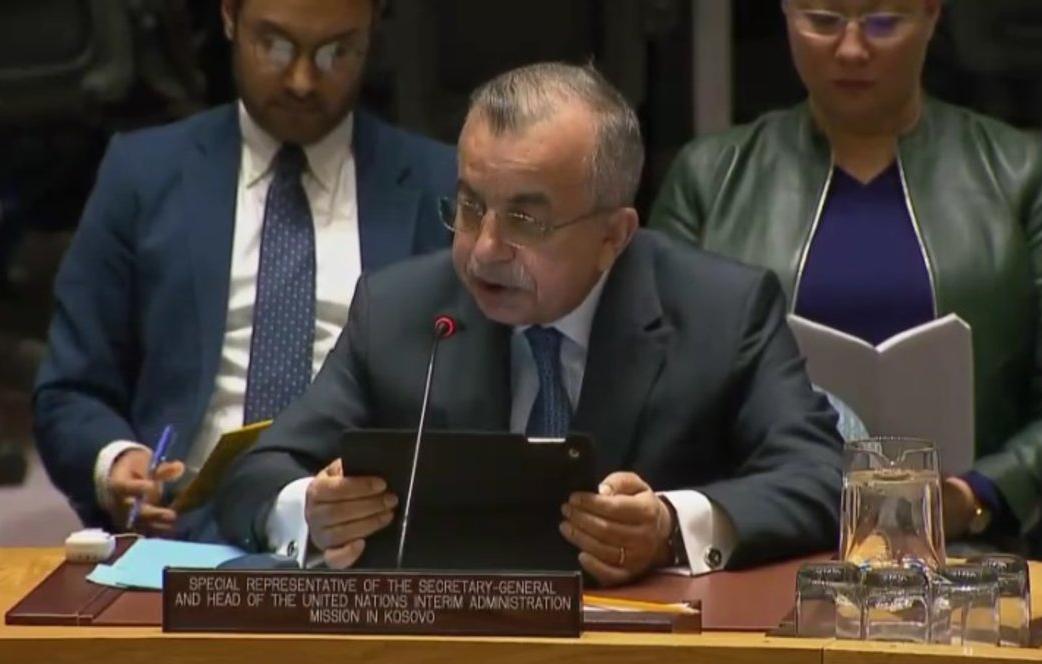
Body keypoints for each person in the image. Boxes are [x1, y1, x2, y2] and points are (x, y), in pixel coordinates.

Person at [215, 62, 843, 586]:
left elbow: (821, 477)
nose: (484, 250)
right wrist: (310, 511)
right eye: (470, 206)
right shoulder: (399, 310)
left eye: (525, 220)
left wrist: (670, 527)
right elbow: (257, 474)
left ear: (613, 235)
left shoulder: (722, 310)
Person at [33, 0, 456, 534]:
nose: (302, 81)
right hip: (183, 523)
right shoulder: (141, 175)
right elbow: (71, 388)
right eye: (275, 46)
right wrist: (114, 460)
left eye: (336, 52)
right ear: (230, 17)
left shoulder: (442, 185)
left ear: (372, 35)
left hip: (365, 527)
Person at [650, 0, 1042, 548]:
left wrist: (976, 494)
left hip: (971, 551)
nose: (852, 50)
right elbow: (659, 387)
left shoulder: (1021, 173)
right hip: (758, 543)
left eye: (883, 23)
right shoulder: (711, 176)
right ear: (787, 14)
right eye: (823, 22)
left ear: (931, 15)